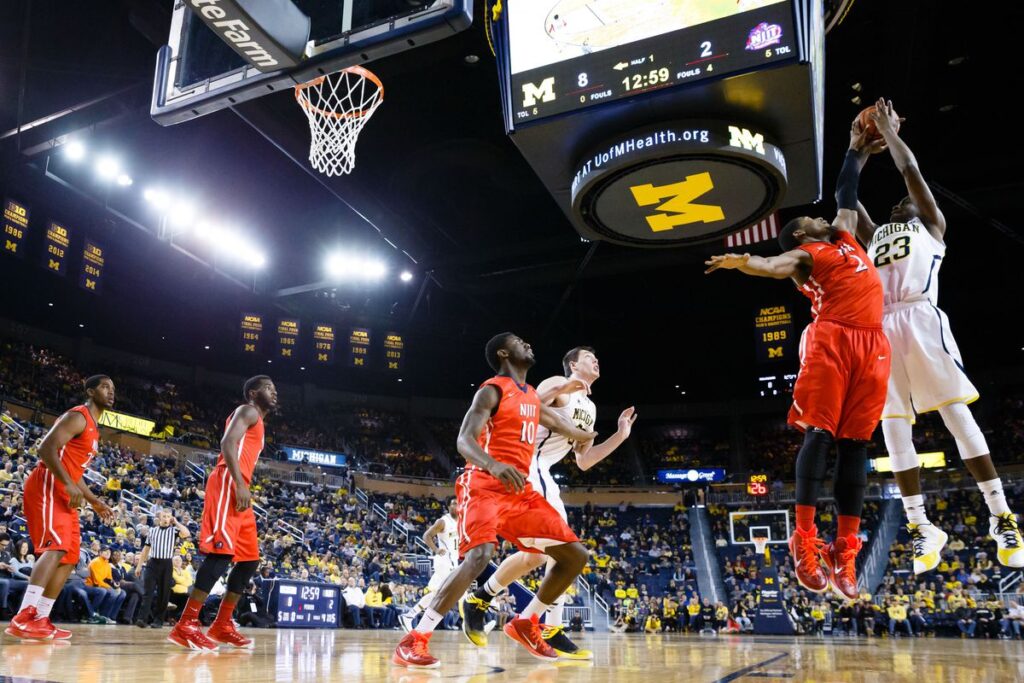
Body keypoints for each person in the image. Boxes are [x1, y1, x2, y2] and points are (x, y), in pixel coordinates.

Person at [705, 122, 889, 600]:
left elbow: (846, 191)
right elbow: (771, 266)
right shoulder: (807, 254)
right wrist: (742, 261)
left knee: (856, 447)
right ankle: (804, 538)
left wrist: (855, 151)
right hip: (833, 339)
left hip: (873, 344)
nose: (821, 217)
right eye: (811, 220)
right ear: (801, 235)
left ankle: (844, 550)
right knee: (821, 435)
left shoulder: (845, 239)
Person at [853, 98, 1024, 573]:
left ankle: (1001, 516)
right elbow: (847, 199)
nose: (900, 203)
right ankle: (921, 526)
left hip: (920, 318)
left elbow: (910, 173)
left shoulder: (931, 225)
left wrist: (888, 134)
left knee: (954, 414)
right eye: (896, 204)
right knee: (892, 427)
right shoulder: (877, 236)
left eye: (905, 201)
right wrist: (858, 152)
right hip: (880, 328)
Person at [392, 333, 594, 668]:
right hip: (484, 483)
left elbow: (557, 422)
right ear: (504, 353)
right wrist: (493, 464)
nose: (528, 343)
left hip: (520, 491)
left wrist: (594, 435)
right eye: (518, 341)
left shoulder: (530, 395)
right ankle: (415, 638)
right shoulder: (492, 389)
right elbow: (463, 440)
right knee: (480, 556)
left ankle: (528, 623)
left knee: (574, 555)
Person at [460, 346, 636, 659]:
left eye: (597, 357)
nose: (596, 359)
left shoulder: (591, 409)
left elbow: (584, 460)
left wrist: (620, 436)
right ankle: (546, 626)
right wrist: (561, 388)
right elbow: (522, 406)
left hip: (545, 475)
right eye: (588, 357)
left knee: (536, 558)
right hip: (526, 467)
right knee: (564, 550)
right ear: (572, 364)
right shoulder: (557, 382)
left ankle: (481, 598)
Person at [168, 375, 277, 651]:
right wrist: (240, 483)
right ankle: (186, 625)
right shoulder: (247, 410)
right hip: (229, 481)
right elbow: (227, 443)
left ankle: (222, 624)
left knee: (250, 560)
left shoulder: (259, 421)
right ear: (253, 393)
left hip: (241, 487)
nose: (274, 393)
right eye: (268, 388)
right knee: (221, 554)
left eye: (275, 389)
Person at [6, 375, 116, 640]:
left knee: (70, 556)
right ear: (90, 391)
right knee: (55, 547)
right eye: (104, 387)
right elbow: (45, 449)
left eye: (113, 389)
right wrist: (66, 484)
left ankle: (41, 618)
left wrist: (94, 501)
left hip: (63, 489)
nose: (111, 392)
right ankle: (23, 616)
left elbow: (74, 471)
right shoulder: (78, 416)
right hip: (47, 483)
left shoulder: (94, 428)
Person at [399, 499, 460, 632]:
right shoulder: (443, 521)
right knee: (460, 589)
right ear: (448, 506)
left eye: (458, 503)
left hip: (453, 560)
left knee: (437, 594)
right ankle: (474, 625)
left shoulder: (460, 522)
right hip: (444, 561)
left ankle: (409, 616)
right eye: (454, 503)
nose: (457, 506)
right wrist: (436, 549)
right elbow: (426, 535)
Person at [135, 508, 190, 628]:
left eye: (168, 516)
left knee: (163, 594)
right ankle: (142, 619)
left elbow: (187, 533)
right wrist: (139, 566)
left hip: (166, 564)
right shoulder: (152, 531)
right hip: (152, 563)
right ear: (159, 518)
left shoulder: (174, 530)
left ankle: (158, 620)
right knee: (147, 592)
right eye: (164, 516)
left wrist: (176, 522)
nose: (166, 519)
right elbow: (145, 549)